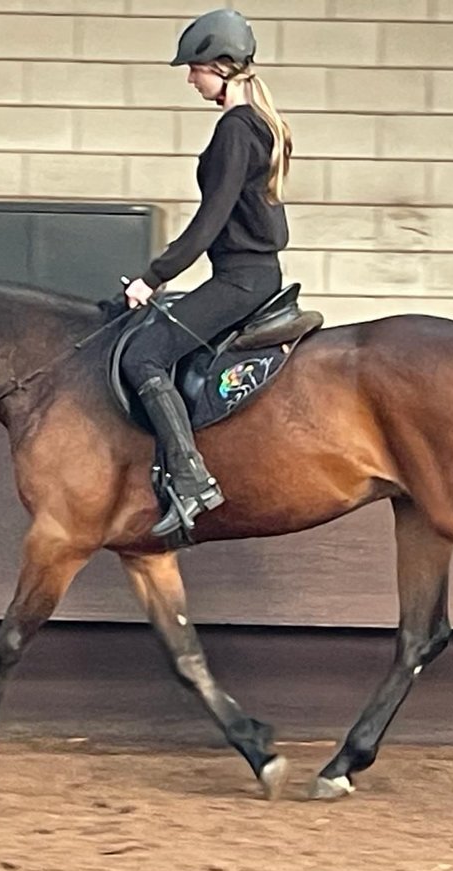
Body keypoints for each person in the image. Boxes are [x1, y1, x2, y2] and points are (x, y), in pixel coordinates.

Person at [120, 8, 292, 538]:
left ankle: (193, 480)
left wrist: (154, 275)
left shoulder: (235, 129)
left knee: (143, 354)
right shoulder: (263, 124)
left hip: (240, 280)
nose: (190, 79)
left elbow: (210, 219)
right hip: (253, 274)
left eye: (193, 69)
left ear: (219, 66)